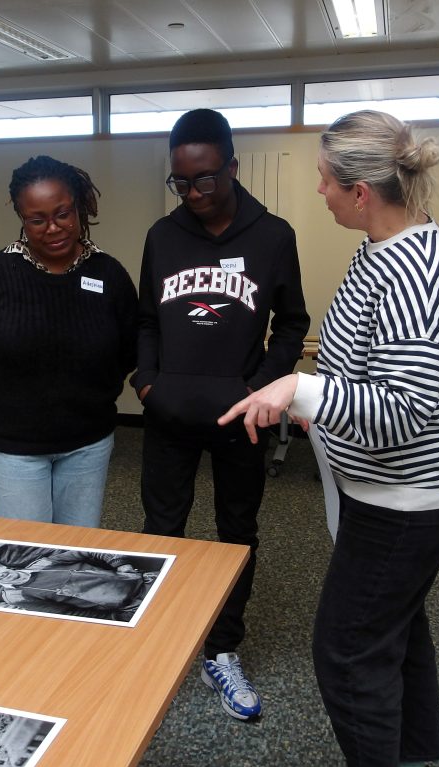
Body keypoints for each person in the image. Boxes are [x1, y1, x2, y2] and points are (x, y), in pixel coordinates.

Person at [219, 110, 439, 767]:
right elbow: (369, 367)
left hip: (411, 502)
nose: (319, 191)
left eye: (323, 180)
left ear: (360, 193)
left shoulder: (418, 273)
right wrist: (325, 403)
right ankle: (416, 757)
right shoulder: (382, 249)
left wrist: (301, 389)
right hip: (389, 490)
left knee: (346, 653)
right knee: (393, 634)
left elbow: (403, 410)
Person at [132, 108, 310, 720]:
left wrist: (259, 388)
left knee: (236, 535)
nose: (194, 193)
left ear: (232, 167)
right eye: (181, 182)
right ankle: (162, 640)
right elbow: (148, 318)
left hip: (242, 417)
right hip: (169, 413)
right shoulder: (163, 235)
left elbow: (291, 324)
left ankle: (223, 648)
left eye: (205, 178)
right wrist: (147, 381)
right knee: (162, 531)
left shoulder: (273, 235)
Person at [0, 155, 138, 527]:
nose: (53, 228)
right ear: (21, 218)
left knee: (77, 551)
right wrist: (7, 391)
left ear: (79, 208)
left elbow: (129, 346)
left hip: (88, 441)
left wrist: (93, 390)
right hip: (15, 444)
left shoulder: (108, 274)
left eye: (63, 213)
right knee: (27, 552)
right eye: (37, 219)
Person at [0, 550, 154, 622]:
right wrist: (116, 618)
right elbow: (71, 615)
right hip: (129, 610)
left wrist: (121, 565)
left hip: (144, 580)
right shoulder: (16, 597)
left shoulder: (45, 562)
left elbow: (91, 551)